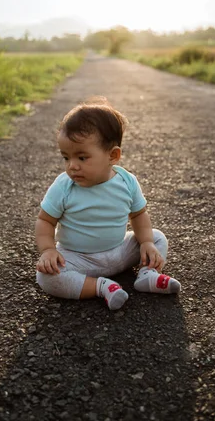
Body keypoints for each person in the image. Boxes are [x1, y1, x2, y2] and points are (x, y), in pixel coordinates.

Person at [35, 97, 181, 310]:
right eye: (66, 158)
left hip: (118, 252)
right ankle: (101, 287)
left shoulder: (127, 181)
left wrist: (147, 243)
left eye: (82, 158)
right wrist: (48, 250)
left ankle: (147, 274)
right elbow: (45, 220)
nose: (72, 166)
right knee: (46, 276)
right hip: (78, 259)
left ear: (113, 155)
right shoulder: (64, 186)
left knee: (157, 238)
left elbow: (139, 215)